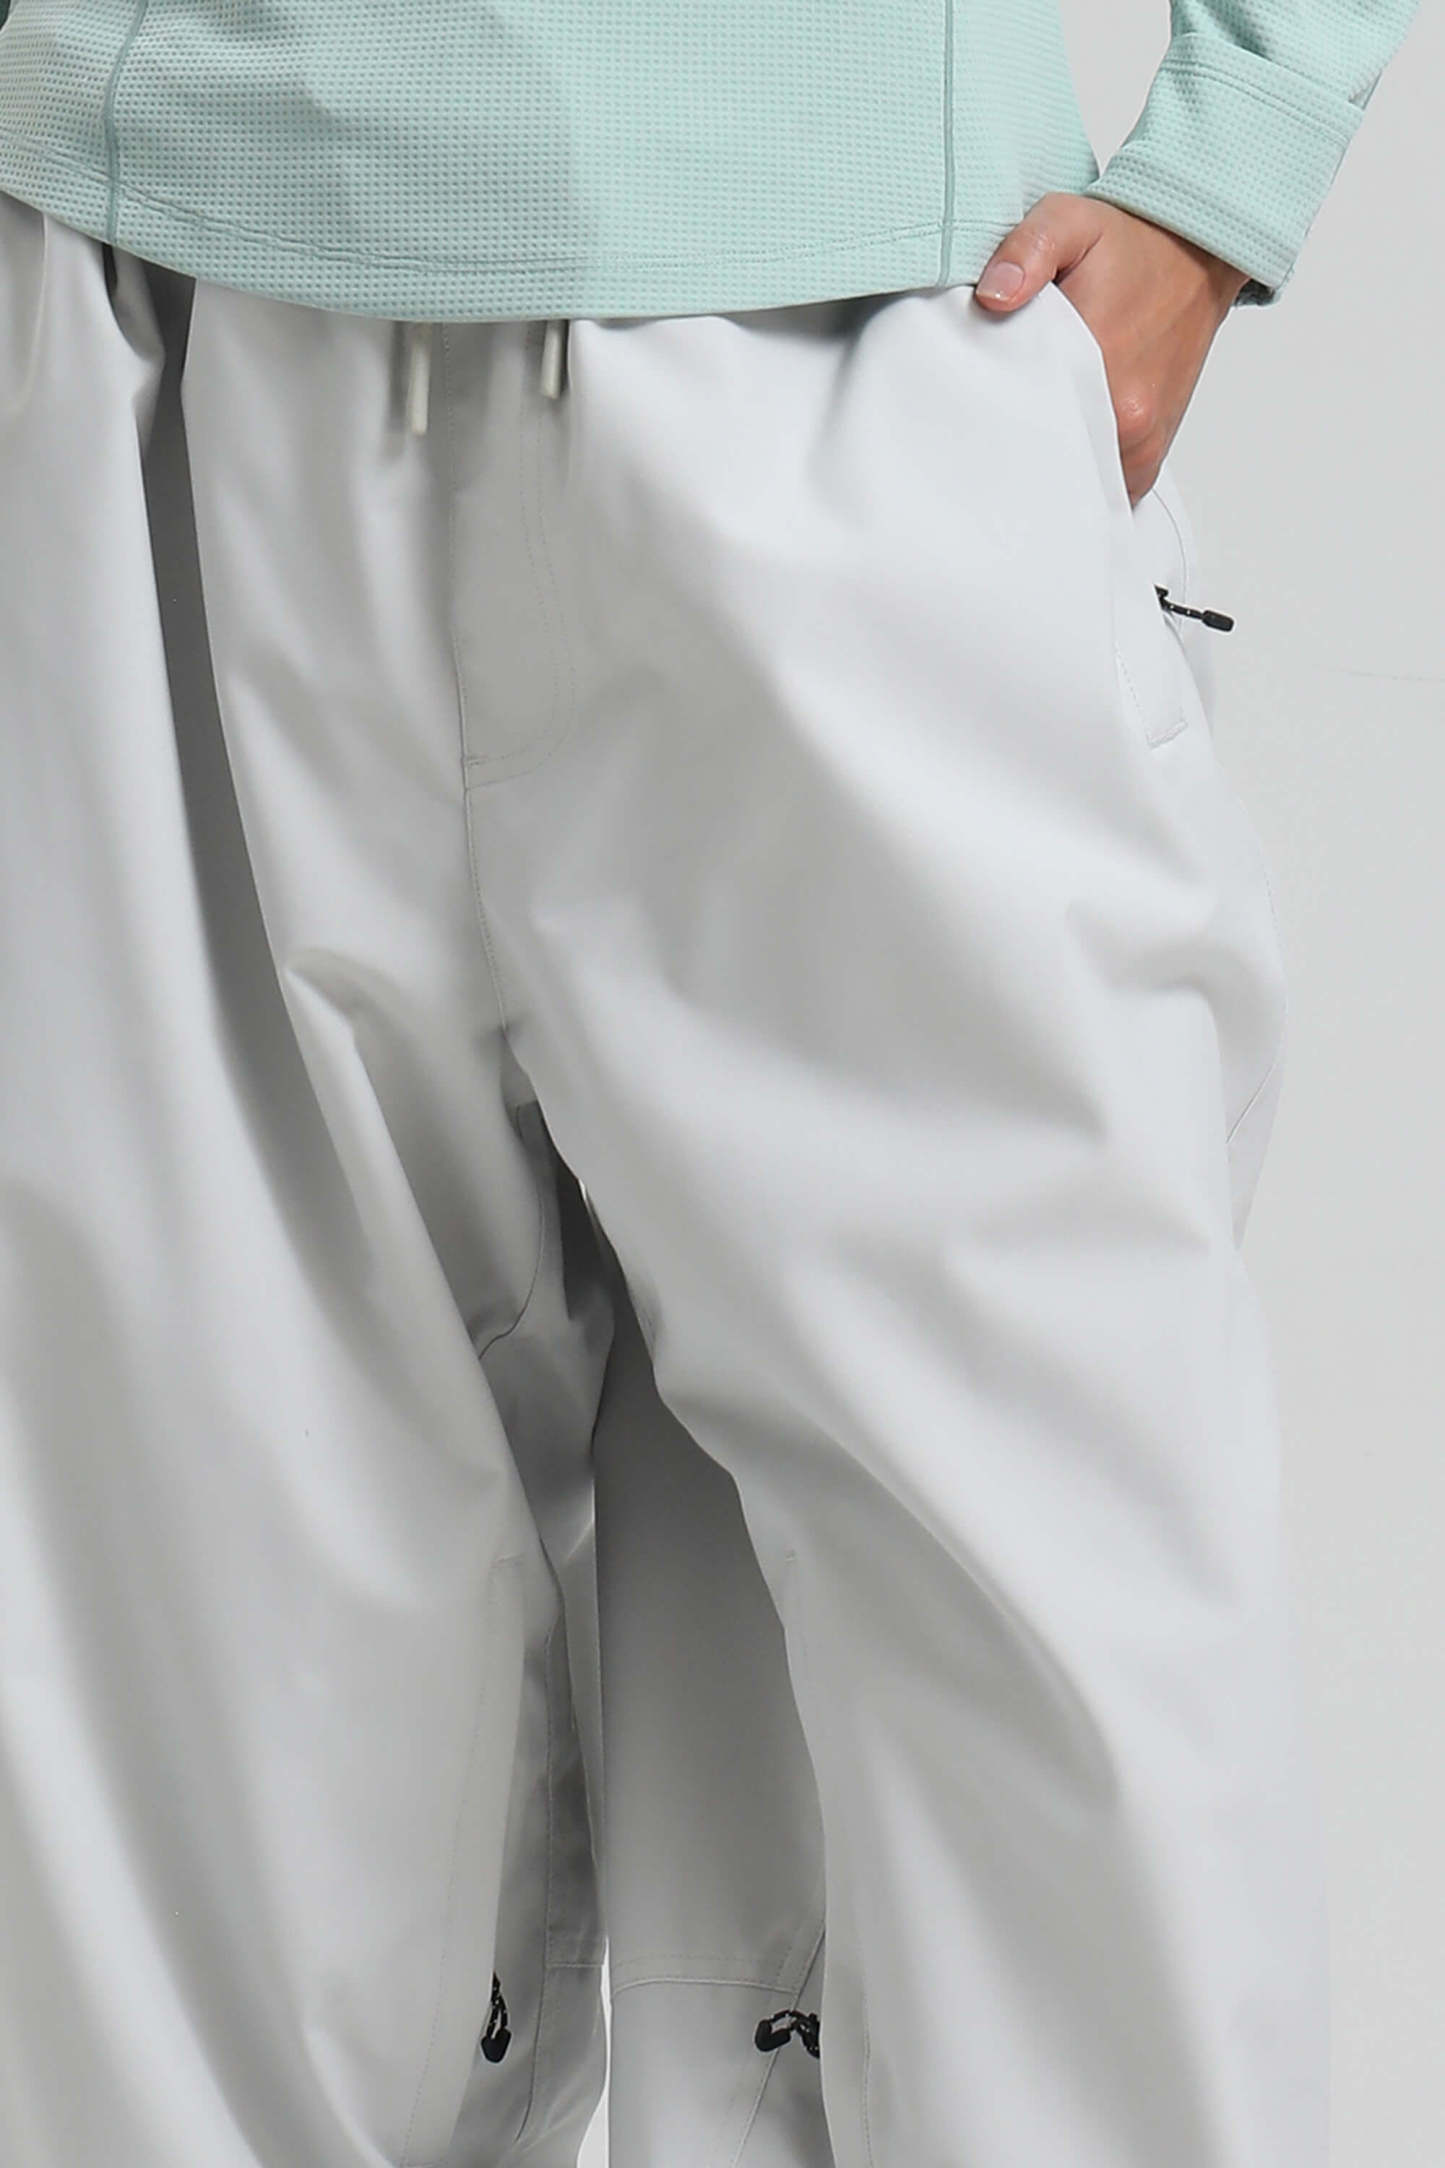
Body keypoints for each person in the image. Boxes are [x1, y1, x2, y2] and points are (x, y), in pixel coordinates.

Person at [0, 2, 1419, 2163]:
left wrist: (1238, 155)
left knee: (1054, 1791)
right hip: (147, 296)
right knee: (208, 1791)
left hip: (852, 320)